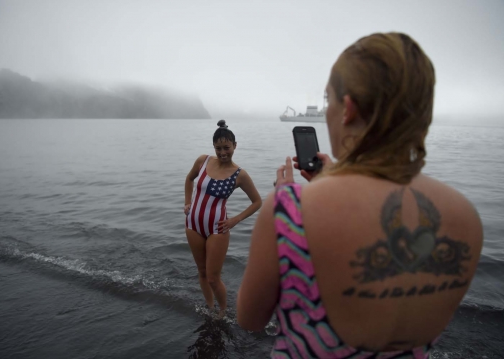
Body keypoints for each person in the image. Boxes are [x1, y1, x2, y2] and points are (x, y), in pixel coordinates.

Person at [236, 32, 483, 358]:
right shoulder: (466, 218)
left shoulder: (289, 212)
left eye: (329, 100)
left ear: (348, 109)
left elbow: (250, 320)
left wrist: (285, 206)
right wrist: (331, 181)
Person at [185, 120, 262, 318]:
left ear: (235, 146)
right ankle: (209, 307)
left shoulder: (239, 174)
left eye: (226, 148)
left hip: (217, 228)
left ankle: (222, 311)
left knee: (212, 277)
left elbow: (257, 202)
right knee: (201, 272)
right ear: (213, 147)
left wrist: (235, 220)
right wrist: (187, 202)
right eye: (218, 148)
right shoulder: (203, 161)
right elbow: (189, 179)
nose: (222, 152)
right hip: (192, 224)